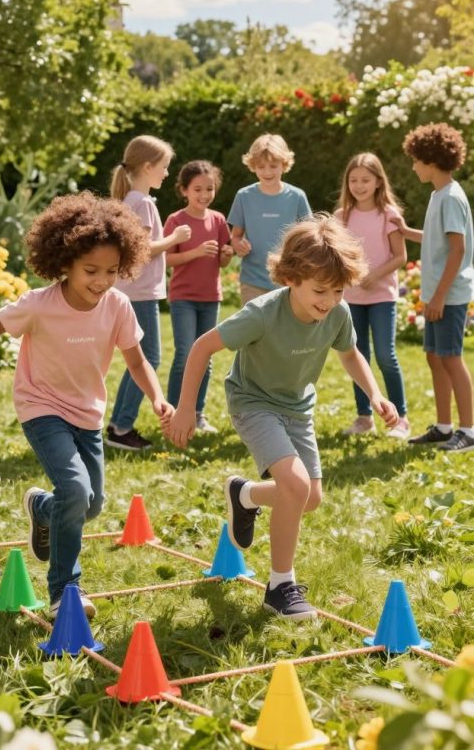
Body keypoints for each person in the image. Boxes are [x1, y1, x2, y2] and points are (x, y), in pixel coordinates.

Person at [0, 192, 174, 617]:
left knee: (90, 505)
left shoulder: (118, 305)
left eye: (111, 271)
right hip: (41, 407)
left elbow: (136, 359)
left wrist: (158, 397)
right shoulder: (38, 304)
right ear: (65, 262)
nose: (102, 280)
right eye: (91, 270)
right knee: (75, 489)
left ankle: (42, 509)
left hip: (87, 412)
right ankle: (64, 590)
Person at [164, 215, 398, 620]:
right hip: (253, 402)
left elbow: (349, 354)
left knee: (310, 498)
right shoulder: (261, 314)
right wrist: (186, 409)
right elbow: (202, 349)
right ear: (291, 278)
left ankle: (246, 495)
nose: (327, 300)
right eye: (319, 290)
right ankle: (280, 586)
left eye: (338, 291)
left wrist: (375, 393)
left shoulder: (337, 314)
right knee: (294, 484)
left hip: (297, 407)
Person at [105, 135, 191, 452]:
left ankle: (119, 424)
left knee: (143, 358)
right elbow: (141, 250)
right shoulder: (140, 203)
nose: (167, 174)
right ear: (147, 166)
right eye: (164, 167)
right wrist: (174, 238)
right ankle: (121, 426)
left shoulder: (135, 201)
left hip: (137, 292)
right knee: (148, 358)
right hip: (138, 293)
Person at [400, 123, 474, 451]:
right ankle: (444, 427)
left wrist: (441, 295)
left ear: (431, 161)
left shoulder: (451, 198)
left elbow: (457, 249)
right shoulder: (438, 195)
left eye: (416, 160)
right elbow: (436, 239)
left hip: (450, 296)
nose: (414, 166)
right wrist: (404, 230)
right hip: (436, 294)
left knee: (450, 358)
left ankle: (469, 431)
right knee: (434, 356)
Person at [335, 153, 410, 438]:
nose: (359, 185)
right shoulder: (342, 216)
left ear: (379, 182)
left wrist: (374, 276)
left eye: (365, 180)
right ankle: (364, 417)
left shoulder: (390, 215)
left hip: (382, 296)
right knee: (357, 355)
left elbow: (400, 256)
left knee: (385, 355)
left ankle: (401, 418)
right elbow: (337, 254)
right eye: (353, 180)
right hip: (351, 299)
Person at [164, 160, 233, 434]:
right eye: (197, 189)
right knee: (184, 354)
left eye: (209, 189)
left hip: (210, 297)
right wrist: (194, 253)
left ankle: (197, 413)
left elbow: (223, 260)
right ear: (183, 190)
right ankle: (173, 412)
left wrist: (226, 256)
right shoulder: (176, 220)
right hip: (183, 298)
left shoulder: (217, 220)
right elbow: (166, 259)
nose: (204, 195)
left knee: (207, 356)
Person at [228, 133, 311, 306]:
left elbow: (309, 238)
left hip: (288, 279)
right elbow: (235, 236)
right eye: (261, 166)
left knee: (284, 331)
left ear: (284, 164)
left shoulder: (297, 197)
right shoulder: (244, 196)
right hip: (252, 281)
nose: (267, 172)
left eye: (273, 166)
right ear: (253, 166)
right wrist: (238, 244)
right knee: (253, 331)